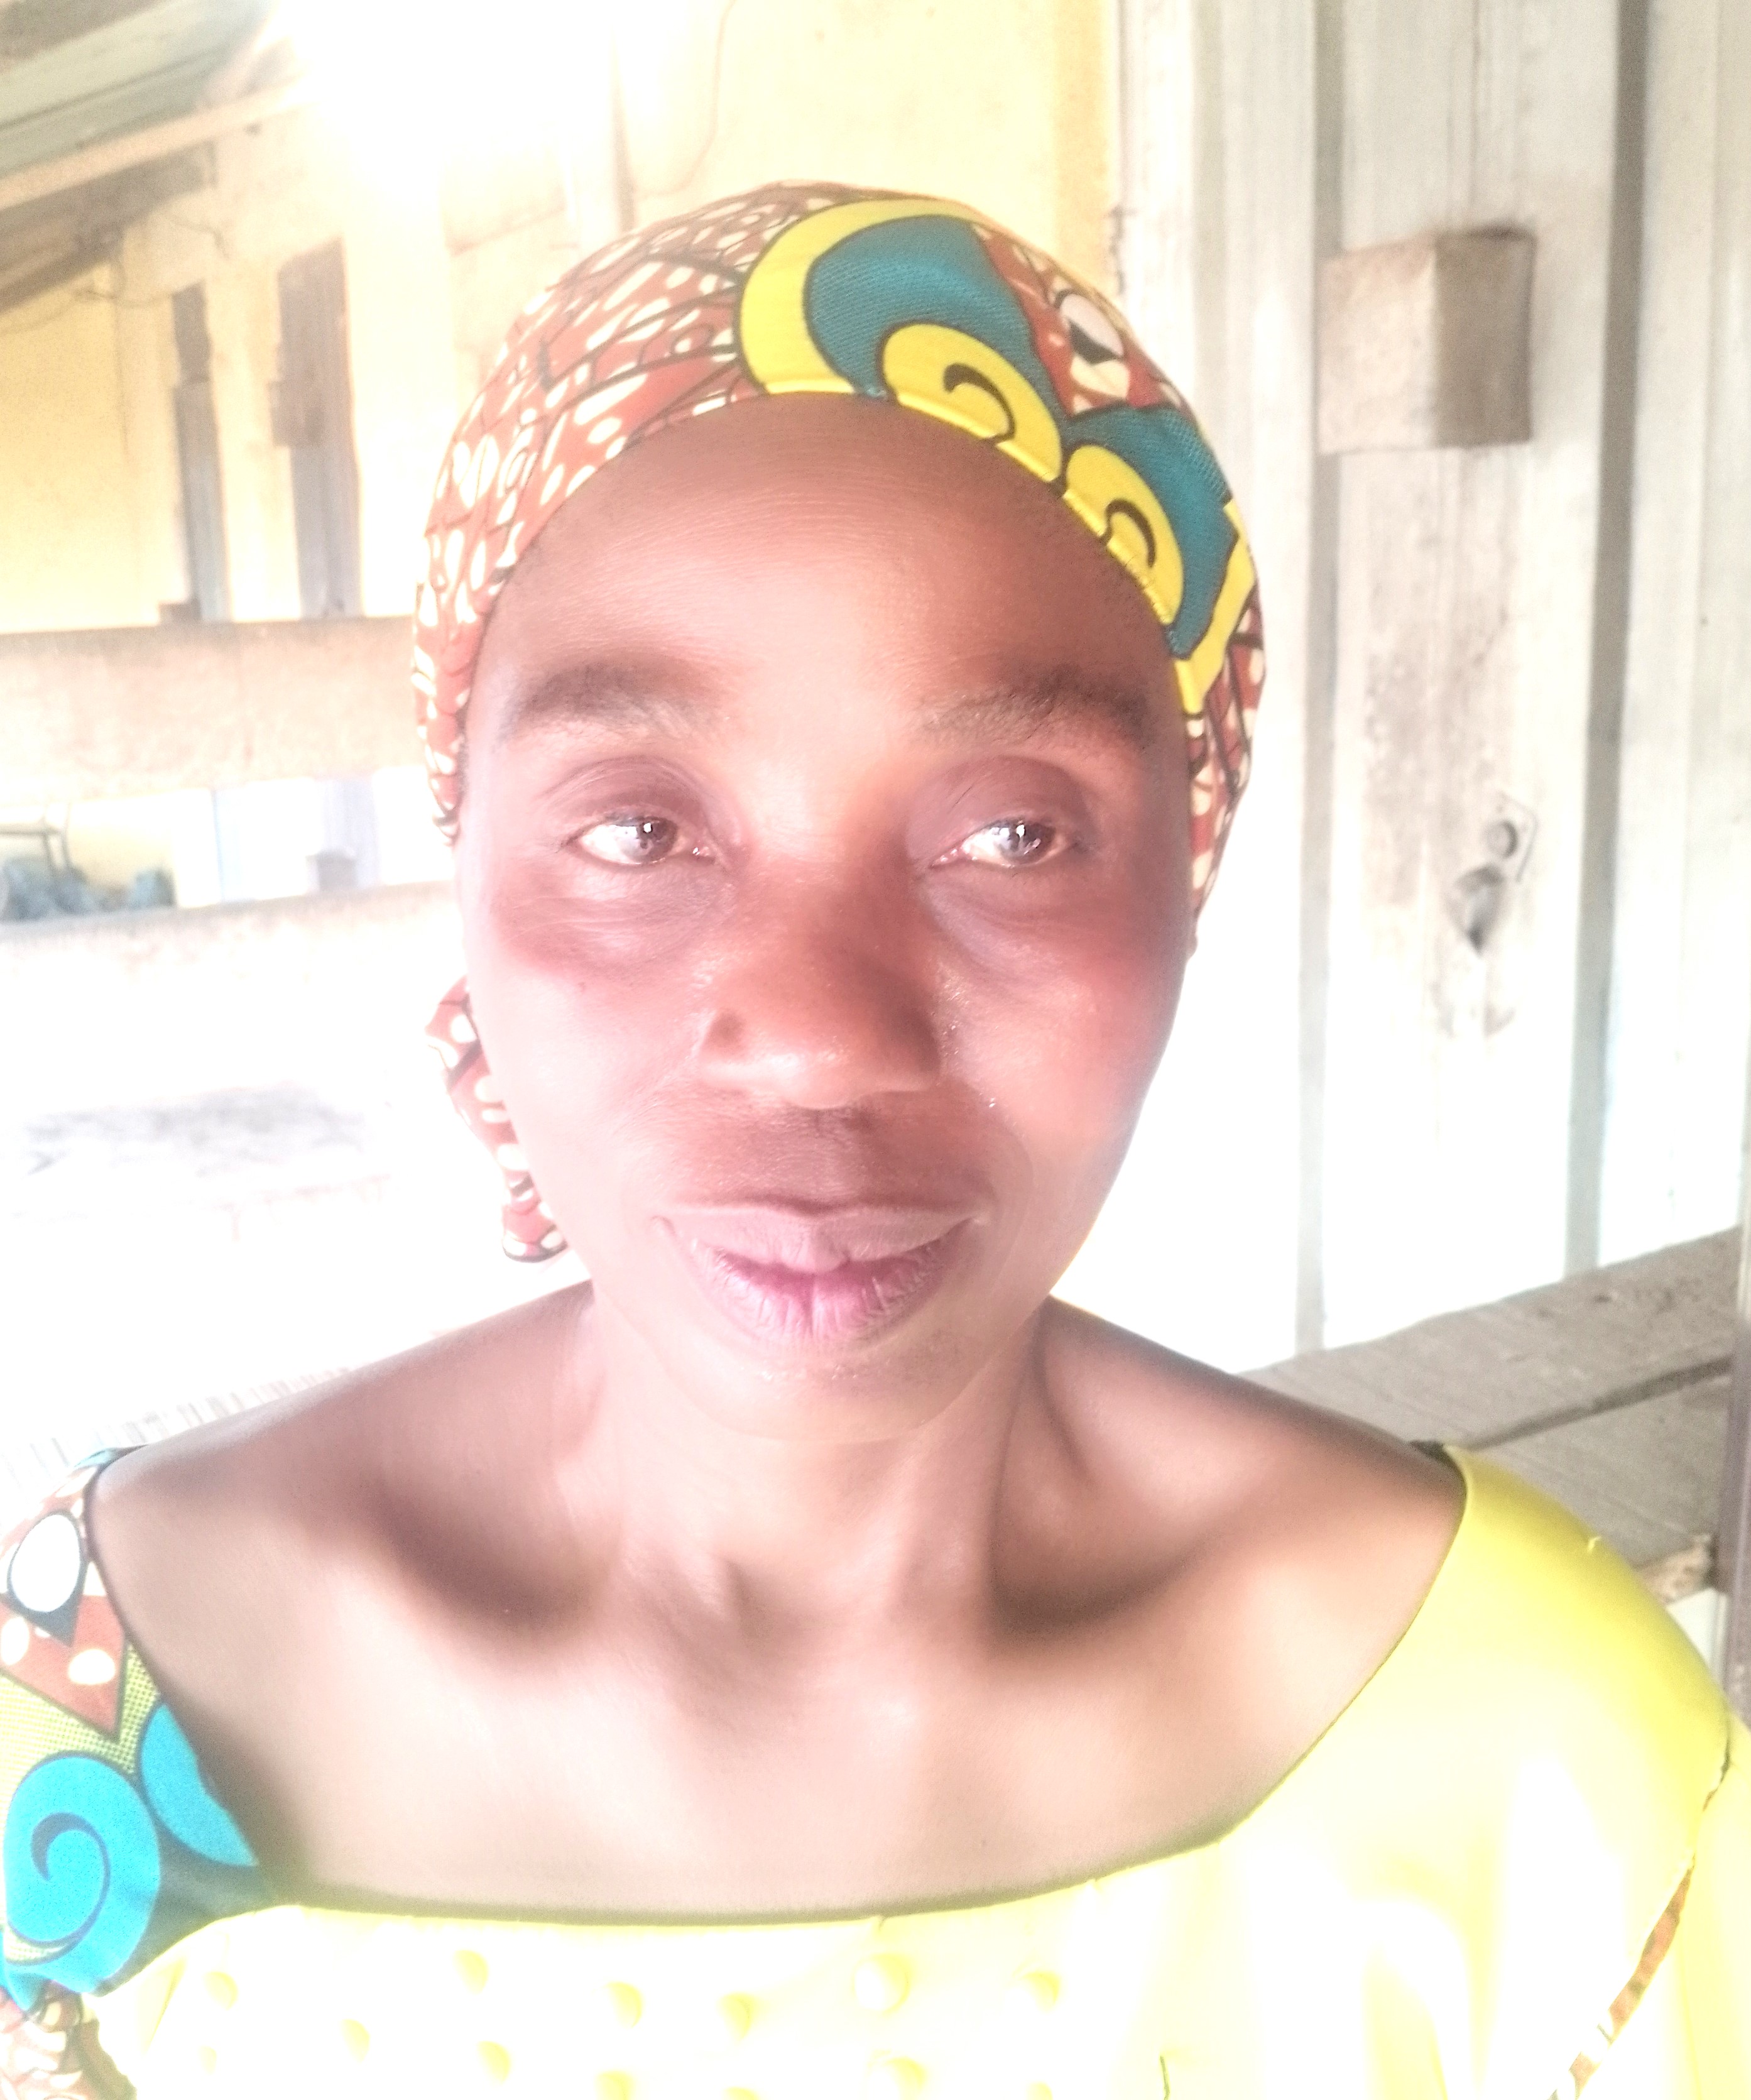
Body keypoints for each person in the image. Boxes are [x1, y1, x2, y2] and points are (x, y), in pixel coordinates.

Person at [1, 183, 1744, 2100]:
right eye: (637, 830)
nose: (821, 1032)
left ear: (1182, 885)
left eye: (1013, 834)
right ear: (467, 870)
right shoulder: (96, 1694)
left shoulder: (1529, 1759)